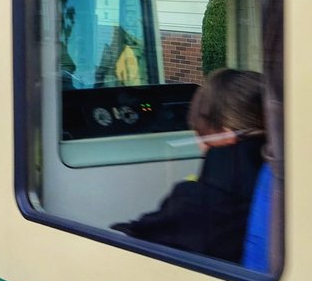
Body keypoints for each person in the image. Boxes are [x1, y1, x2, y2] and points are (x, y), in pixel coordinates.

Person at [112, 69, 266, 263]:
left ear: (224, 134)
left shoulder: (196, 200)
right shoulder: (279, 183)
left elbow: (135, 238)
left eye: (200, 133)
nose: (198, 143)